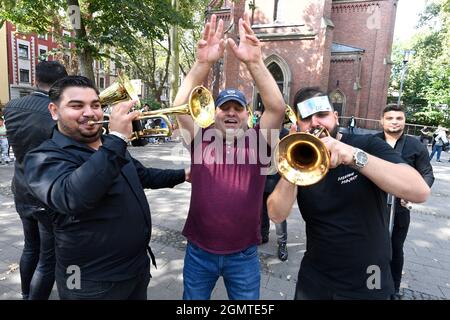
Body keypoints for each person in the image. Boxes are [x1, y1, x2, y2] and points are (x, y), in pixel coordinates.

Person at [23, 76, 188, 300]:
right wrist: (118, 137)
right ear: (54, 111)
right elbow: (72, 197)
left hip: (134, 269)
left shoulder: (108, 146)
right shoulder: (43, 156)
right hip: (87, 281)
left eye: (96, 105)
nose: (90, 113)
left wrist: (183, 174)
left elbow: (140, 174)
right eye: (76, 106)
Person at [267, 90, 431, 300]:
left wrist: (353, 156)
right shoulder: (298, 159)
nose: (315, 123)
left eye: (322, 114)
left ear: (335, 116)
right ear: (297, 125)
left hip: (371, 277)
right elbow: (276, 214)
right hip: (317, 276)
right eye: (306, 119)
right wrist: (293, 166)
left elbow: (419, 191)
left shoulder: (366, 145)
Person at [173, 13, 285, 300]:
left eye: (239, 108)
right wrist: (203, 63)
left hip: (244, 256)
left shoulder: (260, 141)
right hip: (199, 252)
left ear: (248, 115)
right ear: (215, 112)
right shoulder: (200, 138)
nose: (232, 113)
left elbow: (276, 108)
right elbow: (178, 107)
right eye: (226, 108)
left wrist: (255, 62)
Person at [3, 61, 67, 299]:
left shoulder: (12, 106)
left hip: (21, 186)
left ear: (35, 80)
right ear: (61, 83)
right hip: (47, 190)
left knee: (31, 247)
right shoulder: (57, 111)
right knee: (47, 256)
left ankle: (24, 293)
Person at [376, 104, 434, 300]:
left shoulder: (415, 145)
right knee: (372, 247)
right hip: (372, 208)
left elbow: (427, 174)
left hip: (399, 211)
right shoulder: (371, 142)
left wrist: (410, 194)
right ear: (381, 121)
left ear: (404, 121)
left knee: (395, 248)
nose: (394, 122)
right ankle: (372, 285)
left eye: (399, 118)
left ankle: (393, 288)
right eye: (390, 118)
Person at [260, 126, 290, 261]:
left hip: (277, 178)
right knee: (262, 210)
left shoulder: (285, 133)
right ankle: (263, 234)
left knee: (279, 214)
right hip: (261, 177)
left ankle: (282, 243)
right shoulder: (259, 131)